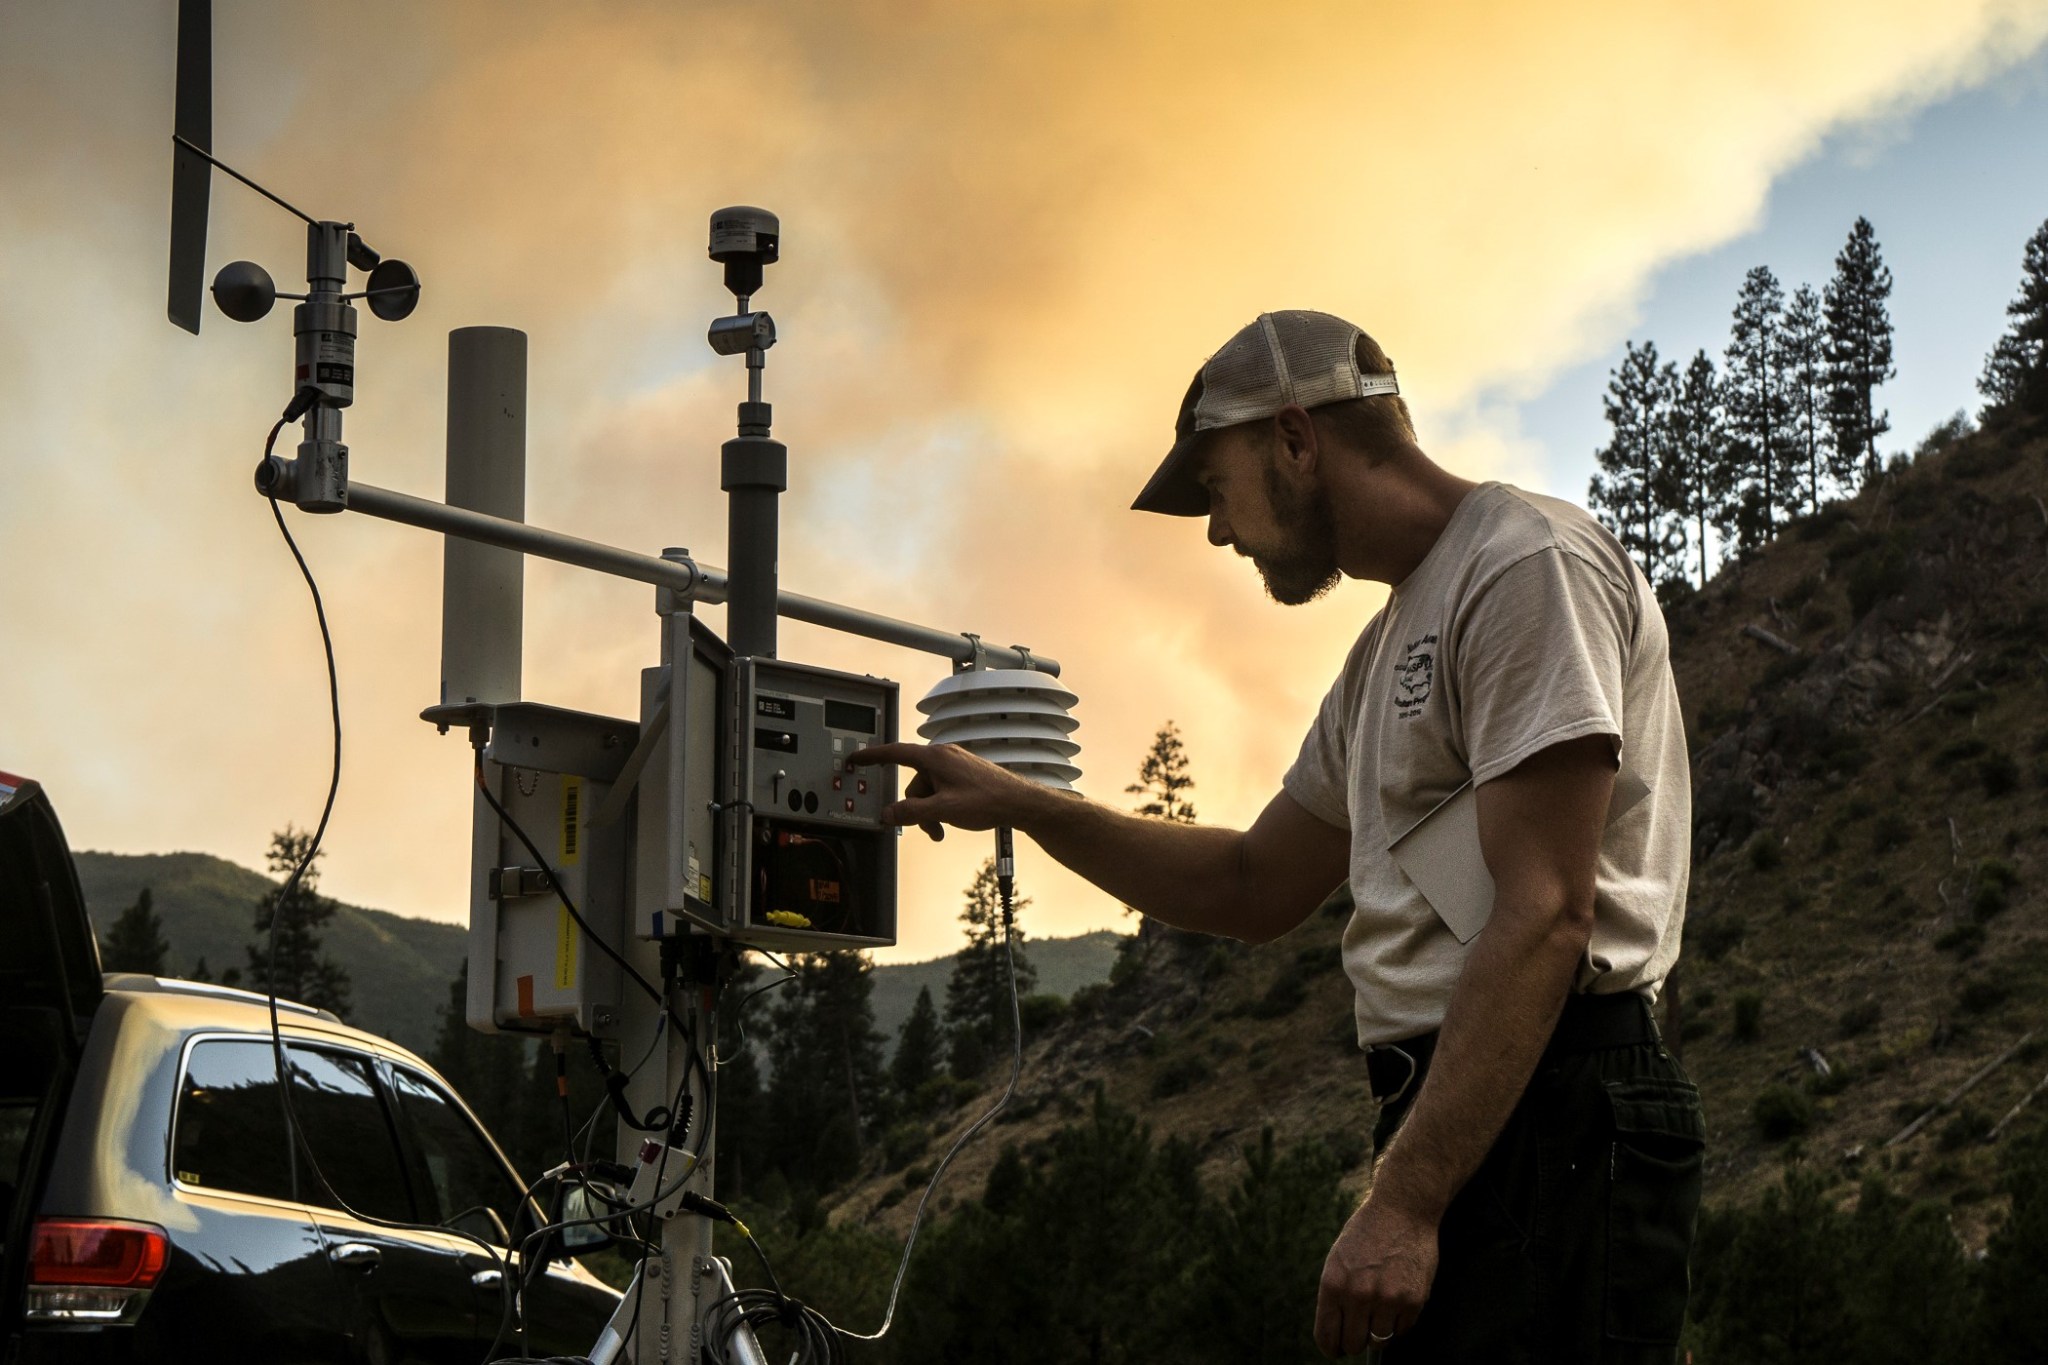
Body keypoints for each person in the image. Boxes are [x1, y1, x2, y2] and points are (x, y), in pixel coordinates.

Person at [852, 310, 1703, 1362]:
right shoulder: (1387, 645)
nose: (1215, 531)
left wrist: (1403, 1203)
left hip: (1555, 1111)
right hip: (1481, 1112)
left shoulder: (1523, 566)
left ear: (1295, 440)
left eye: (1214, 488)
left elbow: (1544, 913)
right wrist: (1026, 804)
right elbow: (1255, 885)